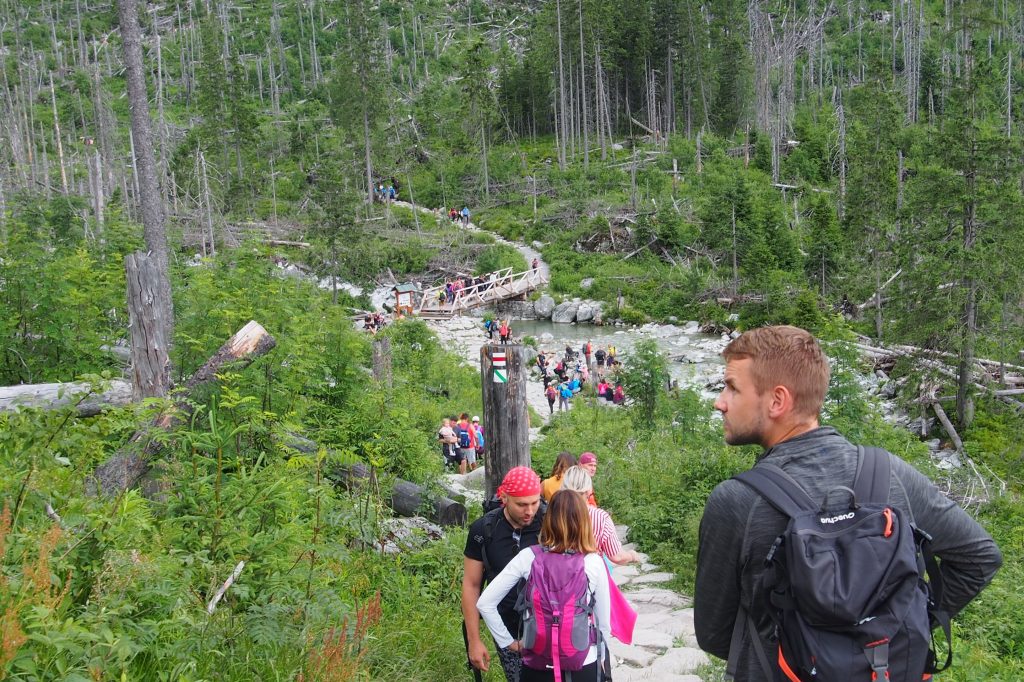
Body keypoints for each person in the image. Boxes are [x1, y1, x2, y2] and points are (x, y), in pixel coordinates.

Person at [694, 325, 1002, 681]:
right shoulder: (890, 472)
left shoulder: (736, 502)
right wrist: (902, 620)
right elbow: (979, 559)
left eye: (732, 387)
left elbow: (715, 635)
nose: (720, 401)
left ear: (777, 401)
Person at [477, 489, 611, 682]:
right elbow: (604, 623)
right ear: (584, 522)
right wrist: (602, 659)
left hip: (536, 662)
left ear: (548, 519)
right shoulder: (593, 562)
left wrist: (509, 643)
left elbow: (485, 603)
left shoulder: (528, 557)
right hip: (584, 662)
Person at [463, 467, 545, 682]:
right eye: (521, 504)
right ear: (504, 497)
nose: (529, 511)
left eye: (535, 502)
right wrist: (474, 640)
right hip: (506, 629)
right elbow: (472, 585)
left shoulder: (550, 523)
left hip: (550, 627)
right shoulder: (484, 530)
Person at [561, 466, 639, 565]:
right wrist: (632, 555)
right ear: (589, 490)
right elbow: (617, 557)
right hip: (589, 575)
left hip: (558, 574)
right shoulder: (600, 517)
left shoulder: (553, 513)